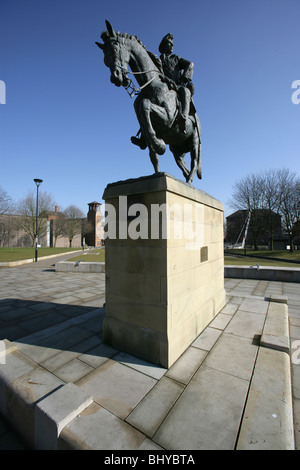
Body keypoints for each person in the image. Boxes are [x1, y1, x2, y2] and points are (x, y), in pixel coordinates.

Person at [159, 33, 194, 133]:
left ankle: (183, 117)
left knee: (185, 91)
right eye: (170, 44)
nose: (172, 46)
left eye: (172, 44)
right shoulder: (158, 60)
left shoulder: (176, 58)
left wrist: (183, 79)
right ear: (164, 45)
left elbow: (190, 64)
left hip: (178, 86)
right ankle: (144, 136)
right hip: (165, 86)